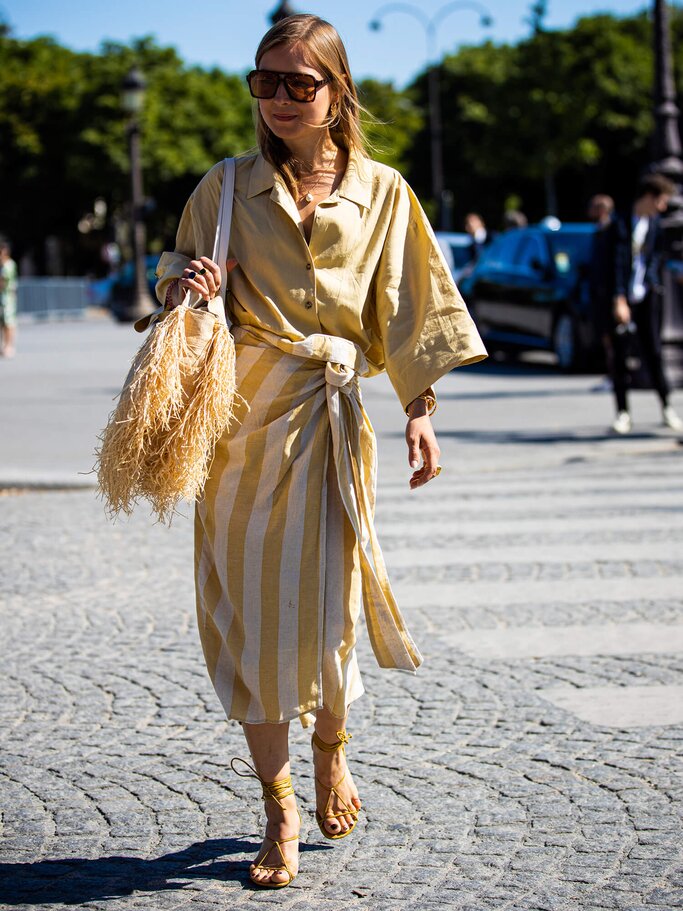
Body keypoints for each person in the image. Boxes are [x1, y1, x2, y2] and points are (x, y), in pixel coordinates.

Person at [155, 14, 486, 889]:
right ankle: (278, 807)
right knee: (252, 620)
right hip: (237, 428)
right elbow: (176, 269)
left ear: (337, 92)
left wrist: (420, 405)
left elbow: (413, 302)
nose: (279, 100)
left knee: (332, 611)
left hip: (333, 420)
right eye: (264, 83)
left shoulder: (382, 193)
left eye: (300, 84)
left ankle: (331, 748)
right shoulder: (222, 188)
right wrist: (184, 283)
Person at [606, 174, 683, 434]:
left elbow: (656, 260)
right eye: (661, 201)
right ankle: (623, 412)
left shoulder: (655, 226)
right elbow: (614, 266)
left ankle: (666, 407)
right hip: (622, 299)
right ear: (649, 197)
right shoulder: (620, 224)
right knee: (620, 358)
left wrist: (654, 282)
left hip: (646, 297)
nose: (663, 208)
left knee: (654, 352)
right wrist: (618, 299)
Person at [587, 194, 616, 392]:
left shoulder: (610, 230)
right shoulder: (599, 230)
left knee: (612, 339)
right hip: (600, 292)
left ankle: (614, 375)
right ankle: (611, 374)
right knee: (606, 338)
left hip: (609, 294)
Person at [0, 239, 18, 358]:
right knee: (3, 323)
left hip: (8, 297)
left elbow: (3, 282)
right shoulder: (3, 265)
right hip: (4, 297)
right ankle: (5, 345)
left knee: (9, 322)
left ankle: (9, 346)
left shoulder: (8, 265)